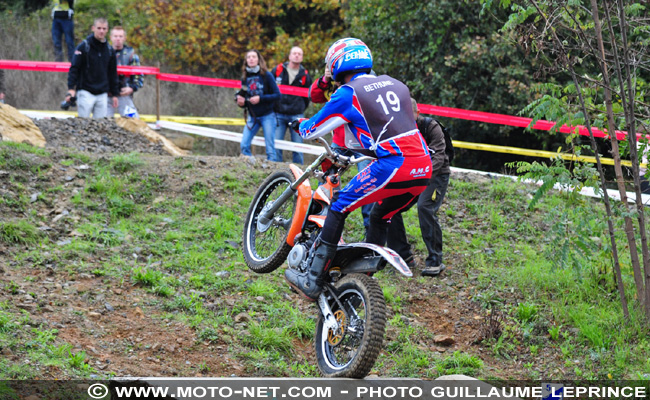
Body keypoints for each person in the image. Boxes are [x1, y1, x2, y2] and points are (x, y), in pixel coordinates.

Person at [285, 38, 433, 300]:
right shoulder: (396, 84)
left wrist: (299, 124)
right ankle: (363, 282)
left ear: (337, 63)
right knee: (379, 216)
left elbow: (312, 130)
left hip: (394, 164)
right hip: (423, 168)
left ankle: (313, 278)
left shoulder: (348, 92)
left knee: (339, 205)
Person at [386, 98, 451, 276]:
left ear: (417, 113)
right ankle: (402, 255)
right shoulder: (397, 130)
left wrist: (422, 175)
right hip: (412, 174)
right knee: (389, 205)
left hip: (436, 174)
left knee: (425, 207)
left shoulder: (431, 127)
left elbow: (439, 157)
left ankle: (435, 260)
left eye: (409, 116)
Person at [309, 63, 373, 235]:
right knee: (325, 182)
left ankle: (371, 236)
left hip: (363, 143)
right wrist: (325, 79)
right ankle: (318, 228)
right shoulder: (332, 80)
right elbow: (314, 96)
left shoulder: (364, 76)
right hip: (339, 142)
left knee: (368, 185)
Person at [66, 18, 119, 119]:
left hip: (102, 93)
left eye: (104, 28)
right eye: (99, 28)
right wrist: (71, 89)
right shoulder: (84, 47)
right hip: (85, 91)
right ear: (93, 28)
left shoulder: (109, 50)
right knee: (83, 122)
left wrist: (115, 94)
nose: (101, 31)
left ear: (107, 30)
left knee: (100, 125)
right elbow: (74, 69)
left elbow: (112, 73)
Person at [236, 50, 281, 161]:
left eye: (254, 57)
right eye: (249, 57)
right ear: (246, 61)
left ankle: (272, 169)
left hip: (268, 115)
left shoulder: (267, 75)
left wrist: (260, 98)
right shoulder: (245, 78)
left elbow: (277, 95)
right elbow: (244, 96)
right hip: (253, 116)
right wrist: (240, 101)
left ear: (258, 60)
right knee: (244, 144)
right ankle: (250, 165)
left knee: (270, 149)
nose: (251, 59)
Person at [272, 46, 312, 164]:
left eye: (299, 54)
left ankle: (299, 171)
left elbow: (307, 96)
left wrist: (300, 108)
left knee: (298, 147)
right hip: (279, 114)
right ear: (289, 56)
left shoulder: (305, 75)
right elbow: (269, 88)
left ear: (302, 58)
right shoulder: (278, 70)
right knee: (276, 145)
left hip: (296, 115)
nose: (296, 55)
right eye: (294, 53)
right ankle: (276, 169)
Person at [107, 26, 144, 118]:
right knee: (102, 122)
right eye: (115, 36)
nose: (118, 39)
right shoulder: (104, 53)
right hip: (106, 95)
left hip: (124, 94)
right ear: (111, 37)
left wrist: (132, 88)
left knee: (133, 121)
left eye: (120, 36)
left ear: (124, 38)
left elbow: (139, 76)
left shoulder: (131, 55)